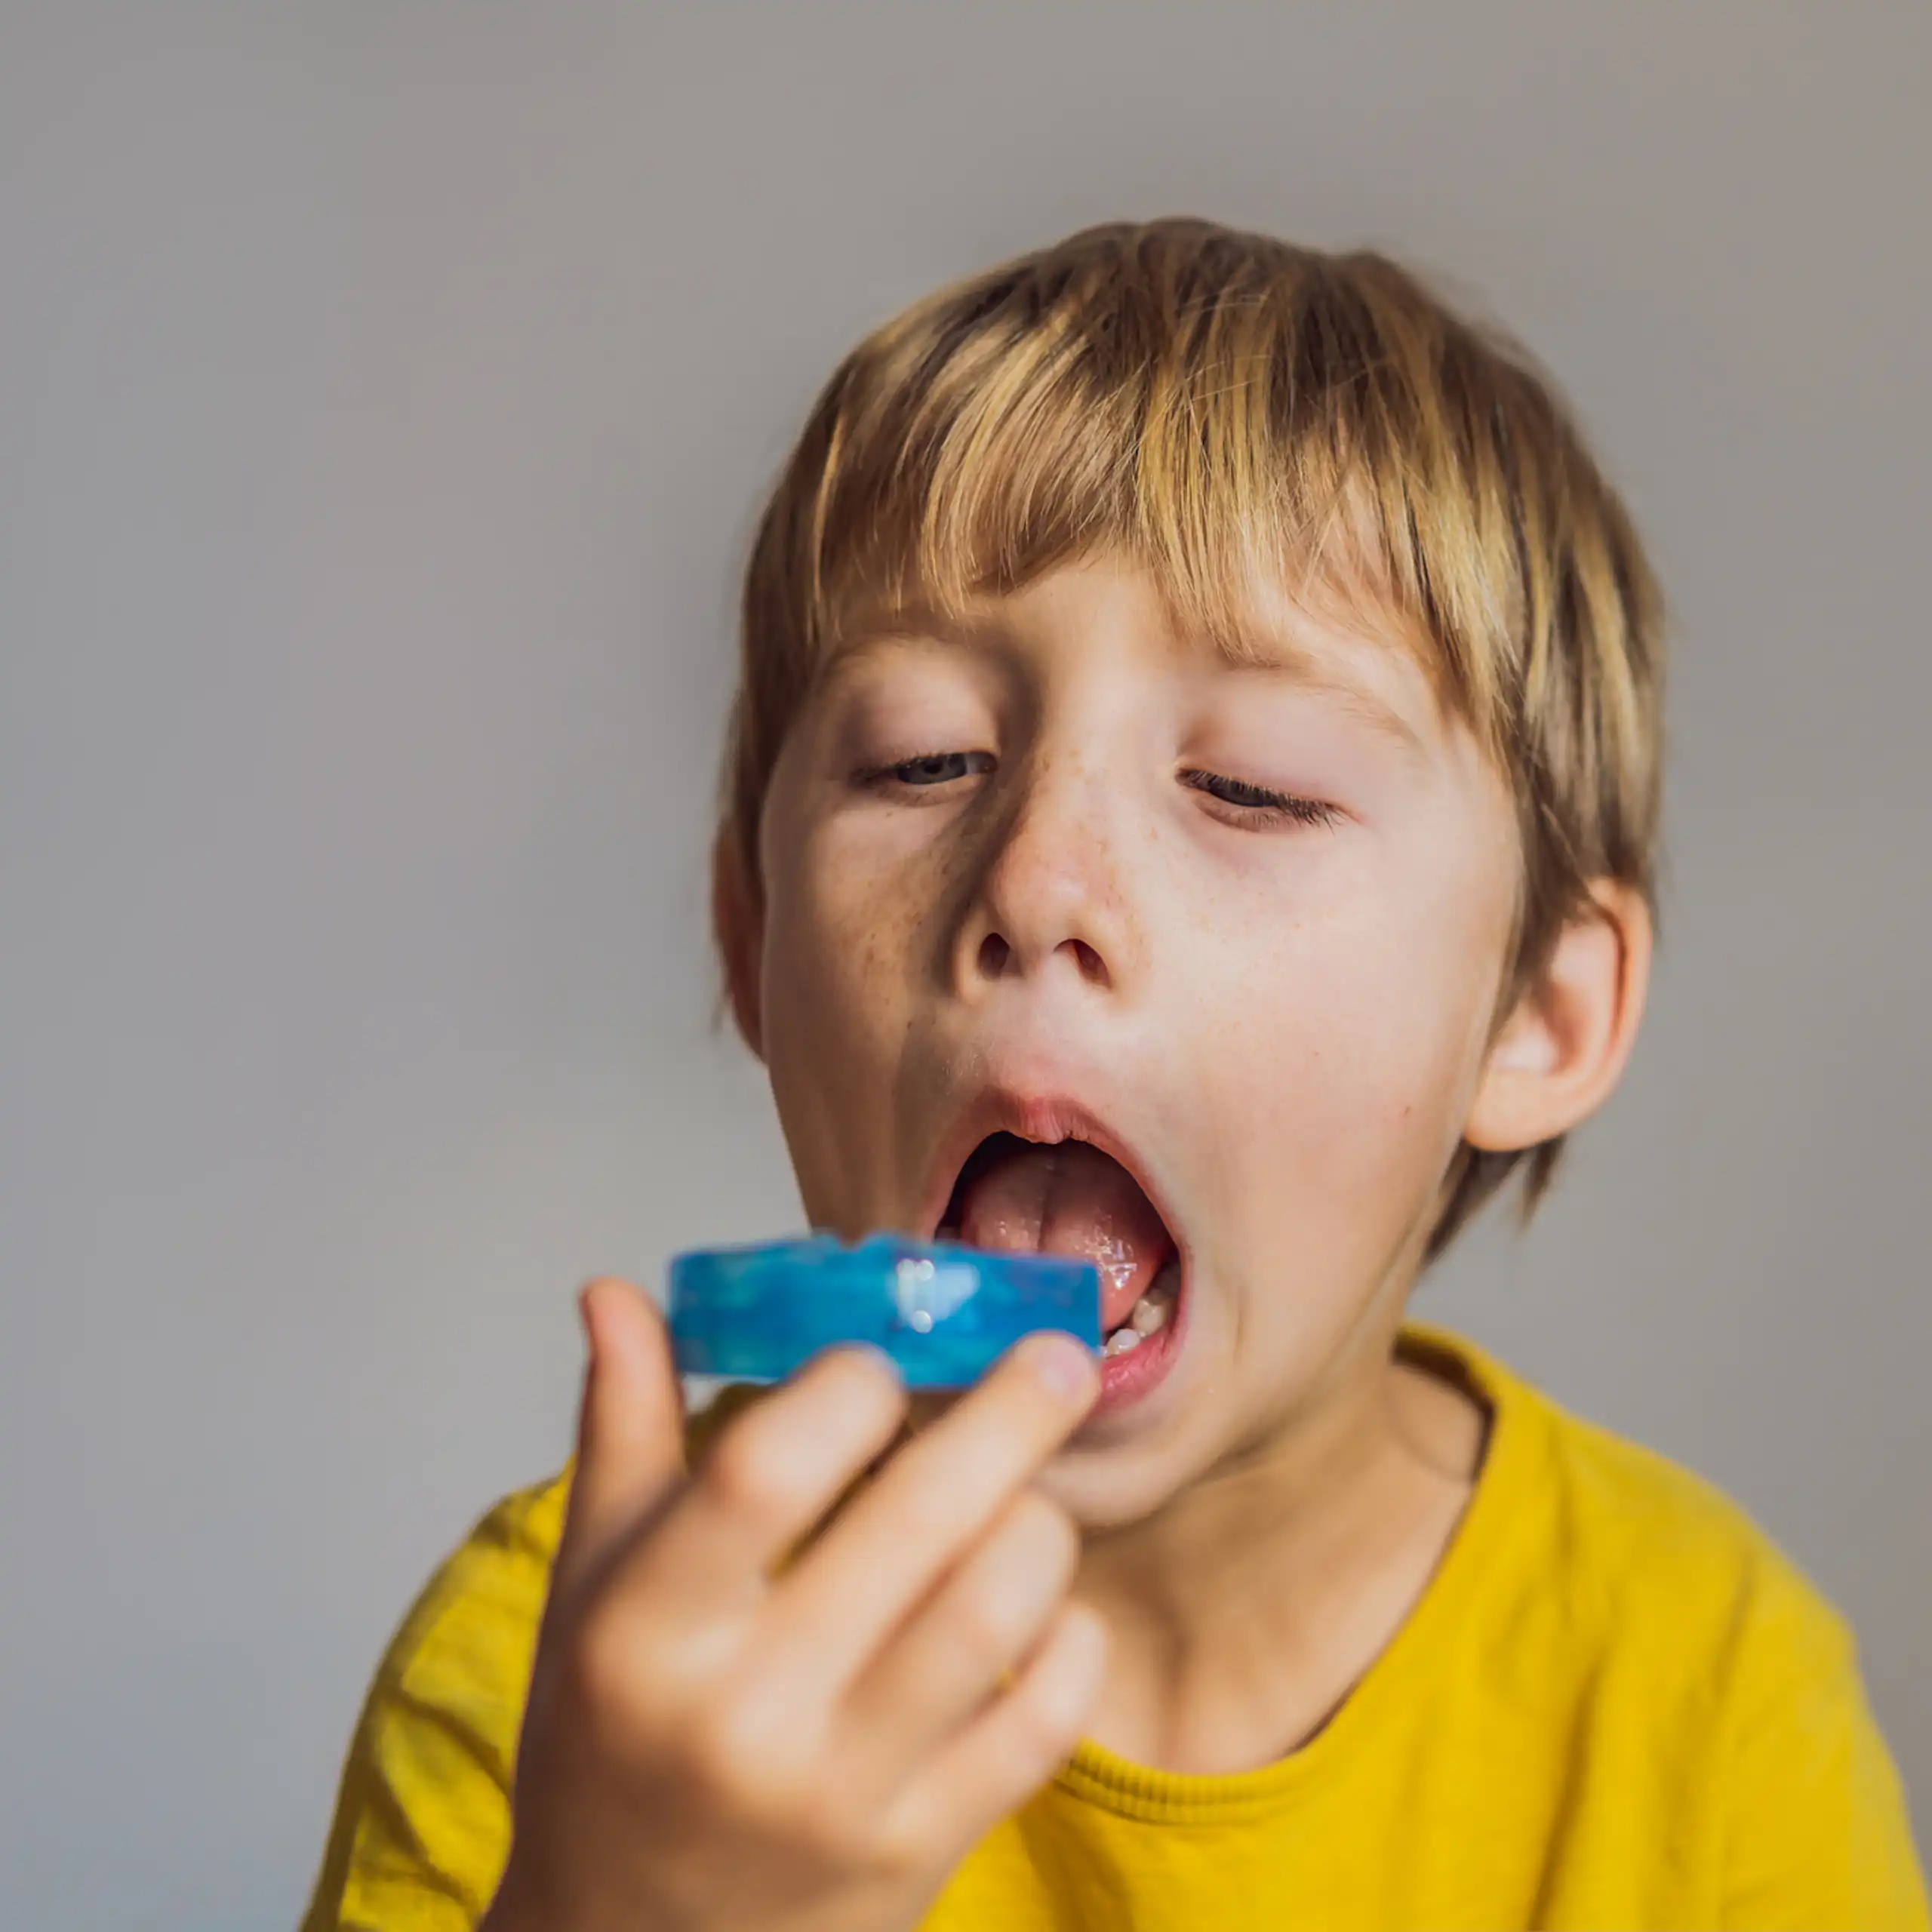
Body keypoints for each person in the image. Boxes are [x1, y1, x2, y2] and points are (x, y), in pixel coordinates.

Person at [302, 217, 1928, 1930]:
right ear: (747, 932)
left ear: (1534, 1011)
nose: (1036, 881)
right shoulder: (561, 1676)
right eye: (923, 759)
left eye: (1251, 787)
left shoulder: (1707, 1691)